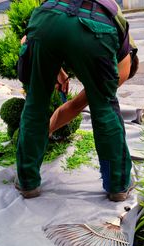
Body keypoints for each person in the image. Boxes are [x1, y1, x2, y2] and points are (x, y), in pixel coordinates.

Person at [16, 0, 136, 202]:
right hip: (94, 28)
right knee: (105, 107)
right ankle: (118, 185)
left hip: (46, 19)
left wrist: (58, 73)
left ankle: (28, 182)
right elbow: (107, 87)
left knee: (35, 102)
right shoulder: (122, 39)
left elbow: (36, 37)